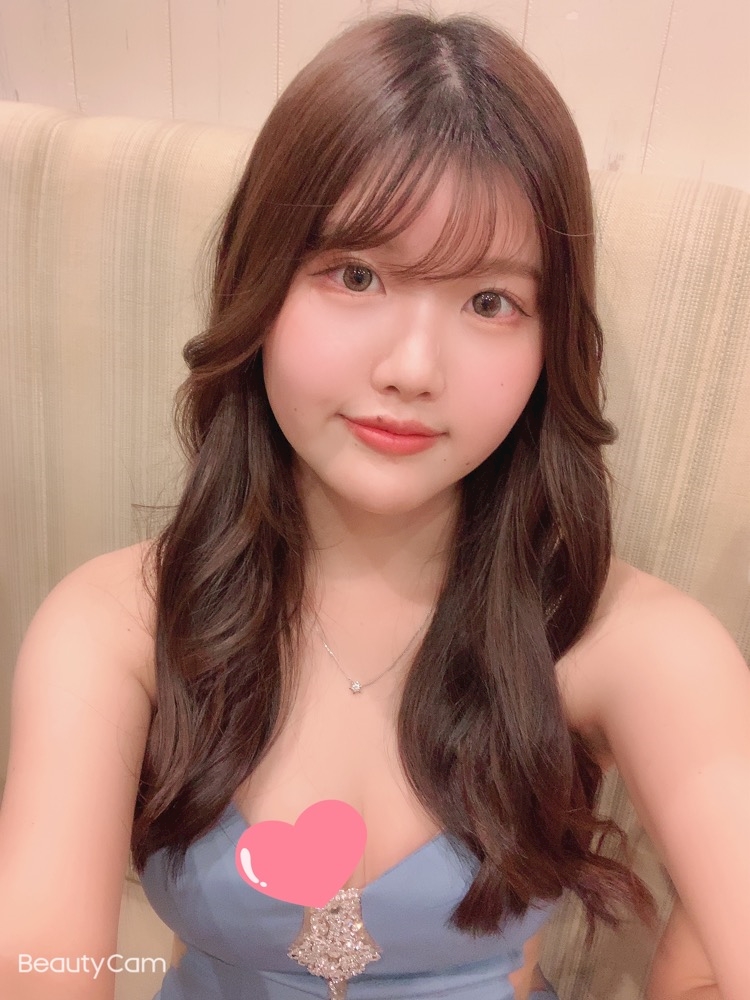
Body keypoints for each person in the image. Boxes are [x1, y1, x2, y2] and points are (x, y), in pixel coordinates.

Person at [1, 8, 748, 1000]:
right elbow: (40, 962)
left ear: (550, 339)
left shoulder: (631, 643)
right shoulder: (116, 627)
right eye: (356, 275)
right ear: (258, 284)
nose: (412, 367)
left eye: (490, 301)